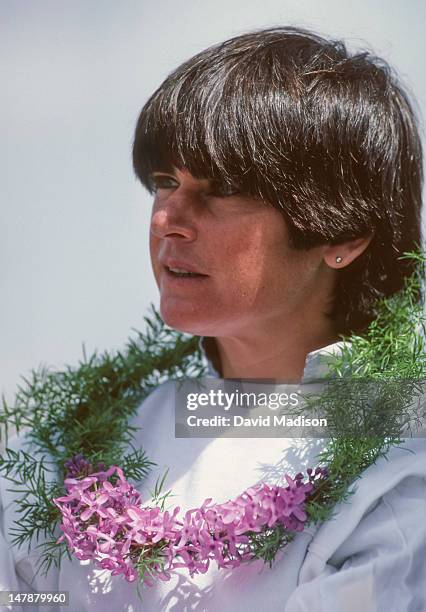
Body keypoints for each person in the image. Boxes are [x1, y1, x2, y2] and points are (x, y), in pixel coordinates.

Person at [1, 26, 425, 611]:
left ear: (344, 235)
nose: (166, 220)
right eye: (164, 182)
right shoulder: (67, 451)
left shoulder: (399, 462)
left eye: (221, 188)